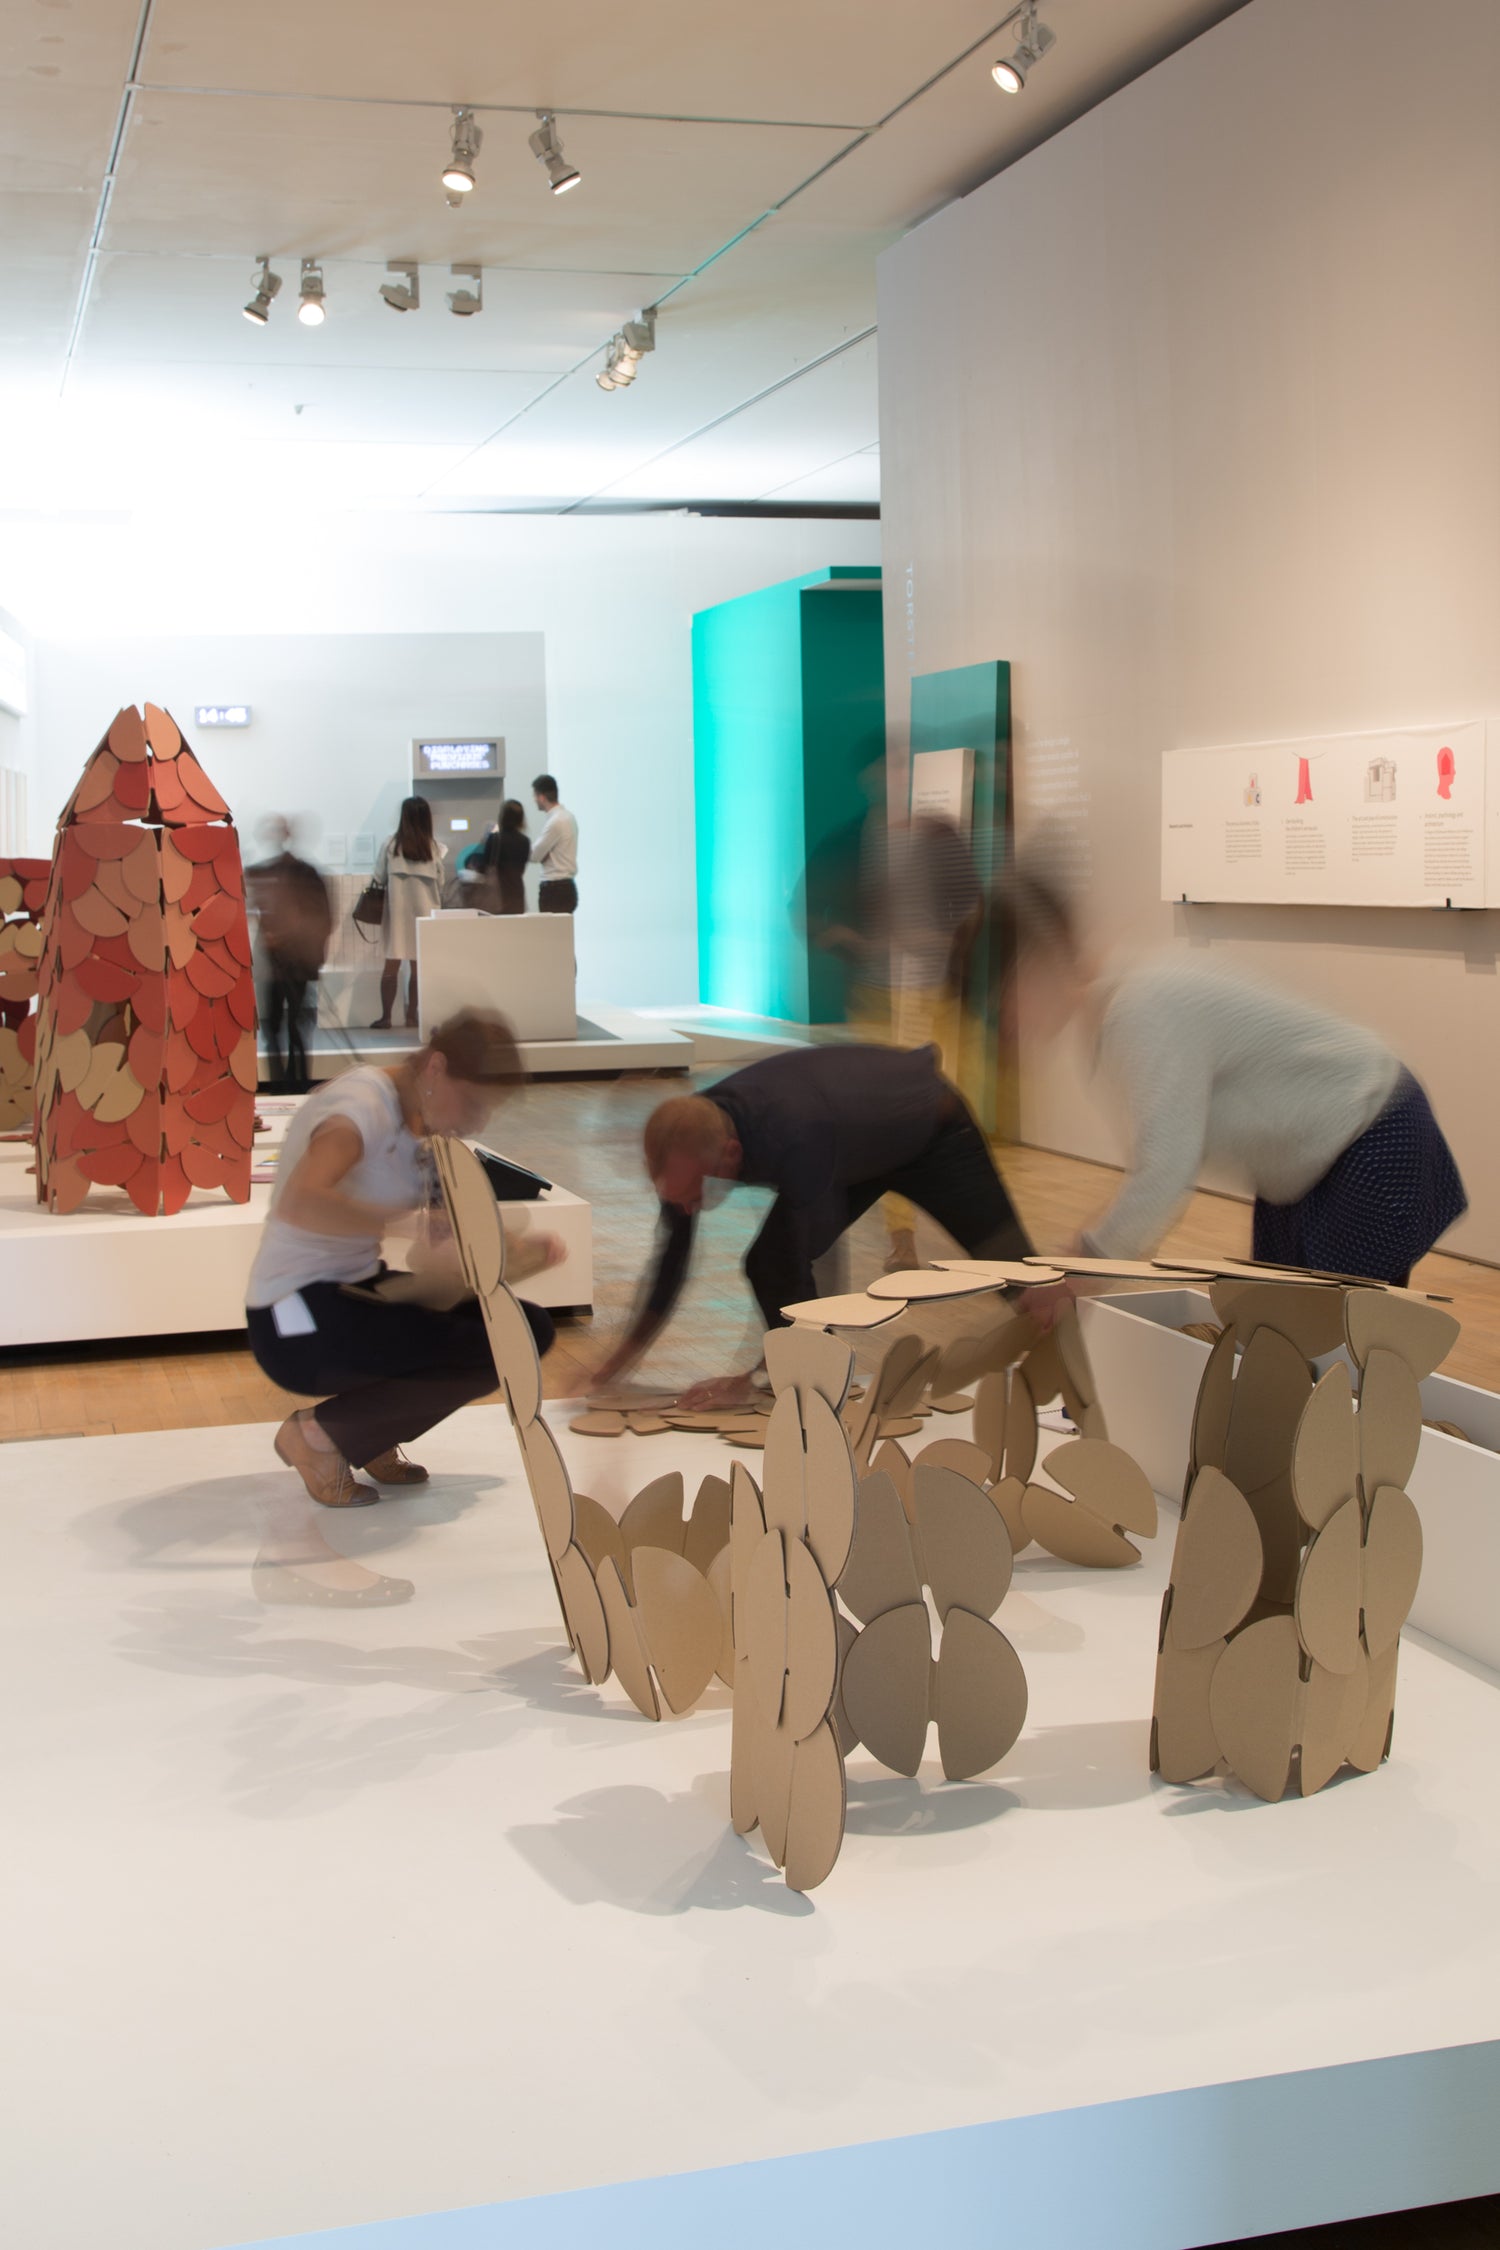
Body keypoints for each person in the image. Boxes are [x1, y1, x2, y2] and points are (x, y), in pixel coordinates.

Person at [999, 869, 1467, 1297]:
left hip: (1368, 1138)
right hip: (1309, 1165)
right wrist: (1085, 1252)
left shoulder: (1140, 1008)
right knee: (1281, 1332)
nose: (1008, 1021)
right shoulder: (1116, 1012)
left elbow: (1166, 1171)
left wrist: (1080, 1272)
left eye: (1006, 995)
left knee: (1336, 1345)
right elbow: (1162, 1155)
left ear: (1041, 961)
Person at [592, 1042, 1031, 1408]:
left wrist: (752, 1379)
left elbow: (812, 1271)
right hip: (854, 1135)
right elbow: (673, 1260)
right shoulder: (687, 1139)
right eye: (678, 1199)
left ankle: (1075, 1370)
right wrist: (614, 1366)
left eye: (695, 1195)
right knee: (767, 1262)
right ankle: (803, 1380)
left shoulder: (794, 1133)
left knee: (1020, 1274)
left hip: (932, 1132)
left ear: (729, 1155)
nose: (687, 1211)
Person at [246, 1008, 563, 1508]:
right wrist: (400, 1220)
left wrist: (510, 1255)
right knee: (494, 1339)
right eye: (474, 1104)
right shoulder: (361, 1103)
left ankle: (361, 1436)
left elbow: (437, 1255)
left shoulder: (431, 1132)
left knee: (524, 1328)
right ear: (436, 1068)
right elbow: (302, 1200)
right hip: (293, 1316)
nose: (476, 1121)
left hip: (355, 1290)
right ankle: (320, 1436)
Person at [245, 818, 333, 1093]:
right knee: (280, 1026)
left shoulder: (301, 874)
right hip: (281, 962)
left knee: (290, 1026)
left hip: (294, 961)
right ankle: (288, 1083)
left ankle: (291, 1083)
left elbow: (319, 918)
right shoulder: (291, 873)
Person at [371, 796, 447, 1032]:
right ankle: (412, 1016)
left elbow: (378, 878)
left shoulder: (390, 846)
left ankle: (386, 1018)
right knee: (417, 967)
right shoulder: (434, 849)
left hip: (397, 915)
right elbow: (442, 883)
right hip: (425, 917)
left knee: (391, 966)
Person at [474, 798, 531, 915]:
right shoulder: (525, 841)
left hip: (497, 896)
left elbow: (482, 867)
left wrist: (483, 841)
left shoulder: (495, 839)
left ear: (502, 817)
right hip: (517, 895)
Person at [531, 774, 578, 914]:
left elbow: (534, 855)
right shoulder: (569, 817)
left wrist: (543, 855)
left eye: (534, 795)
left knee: (550, 933)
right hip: (567, 886)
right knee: (563, 933)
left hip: (554, 889)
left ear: (541, 797)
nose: (534, 800)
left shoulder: (555, 822)